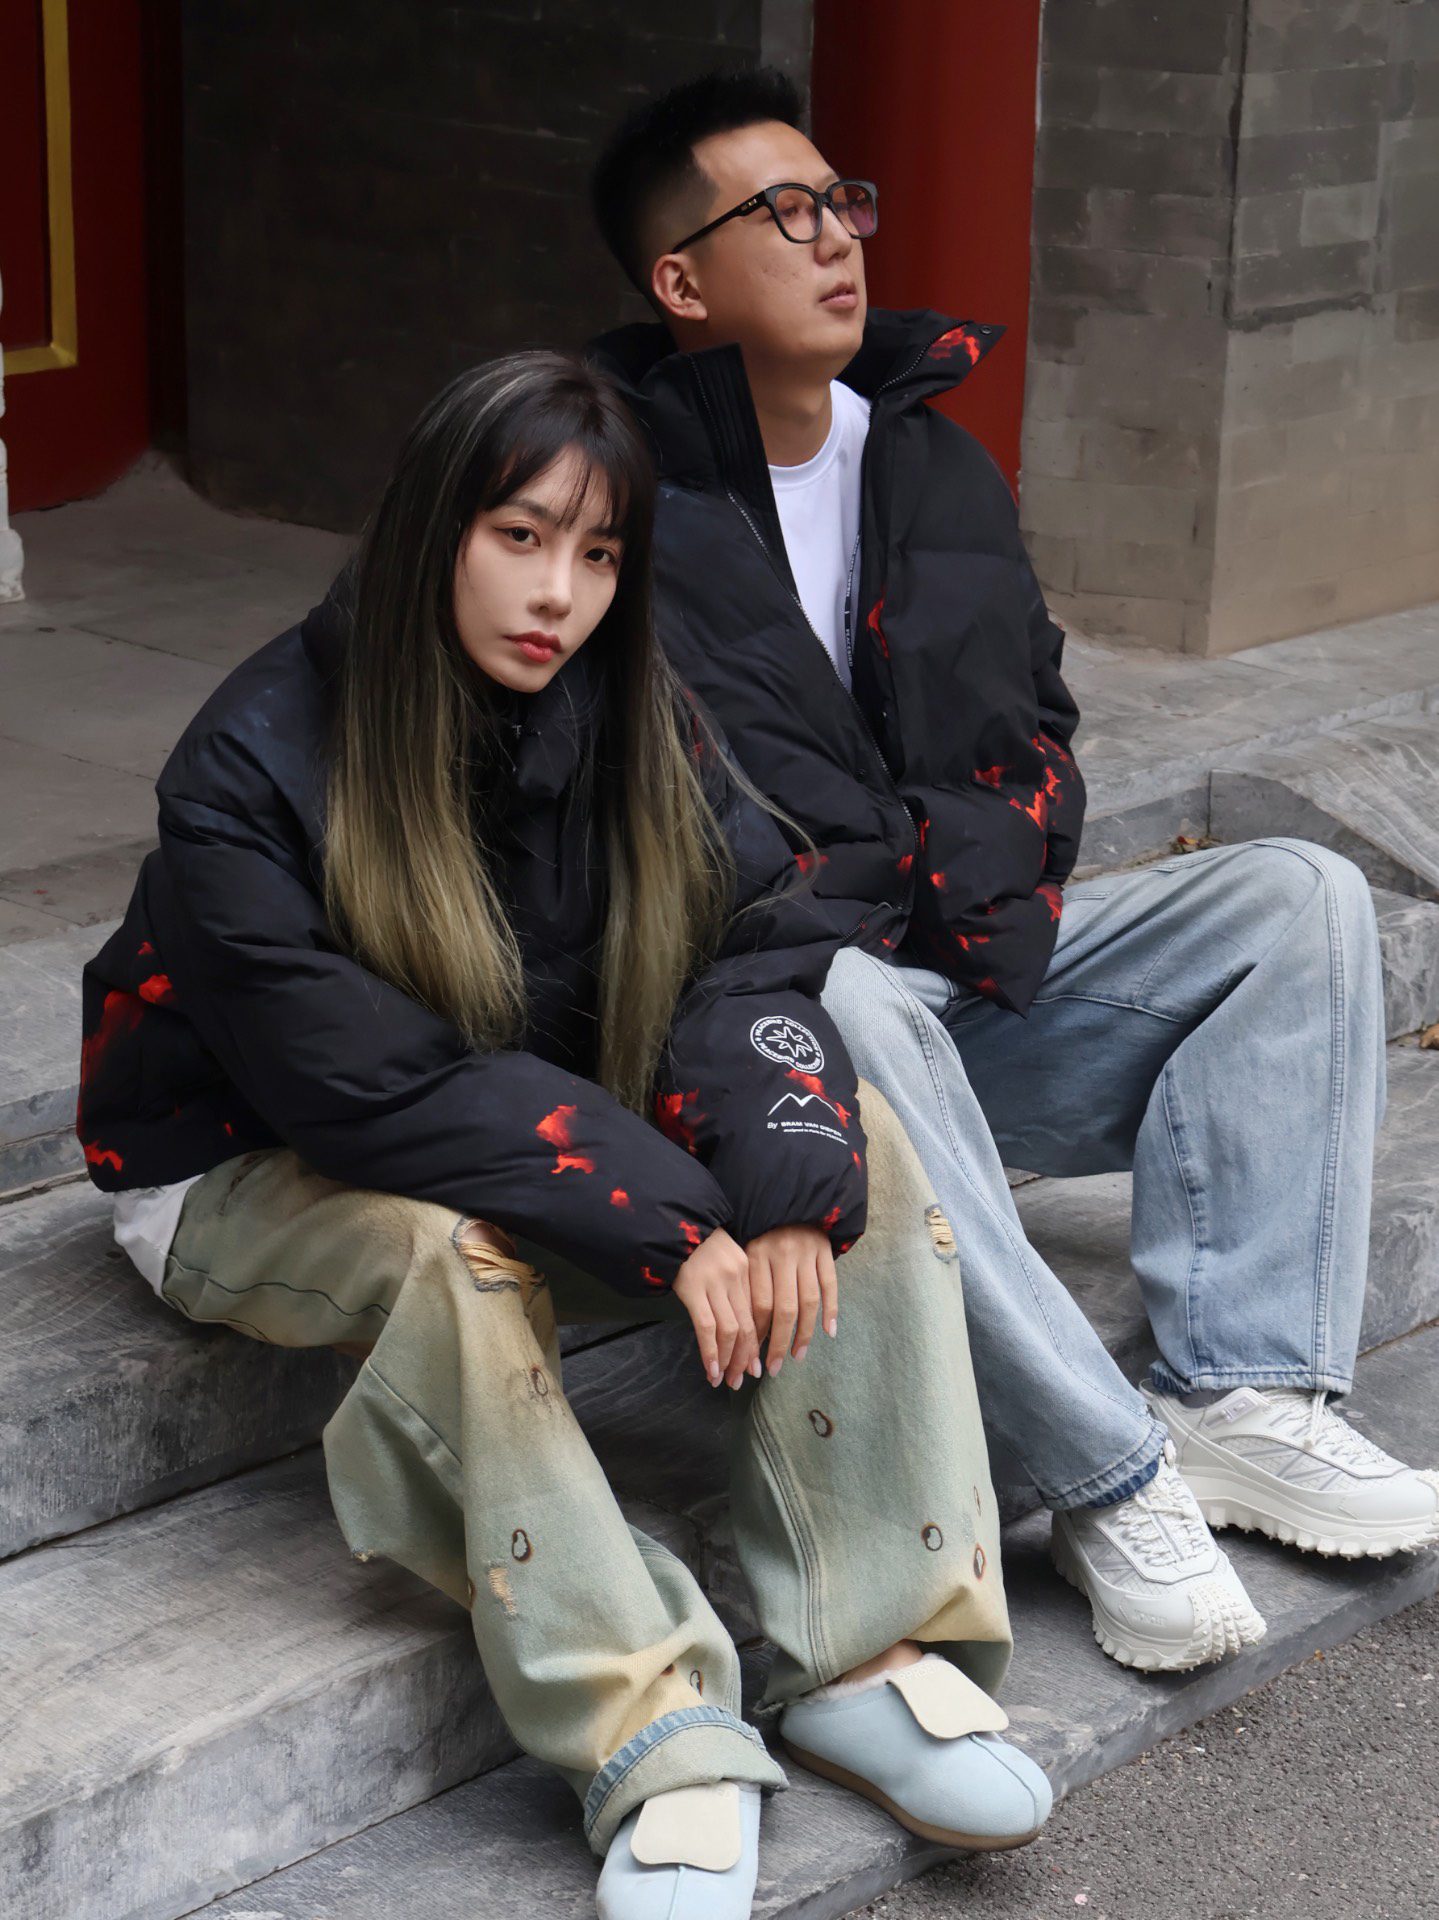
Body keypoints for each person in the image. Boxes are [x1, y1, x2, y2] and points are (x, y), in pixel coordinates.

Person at [76, 355, 1051, 1920]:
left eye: (598, 554)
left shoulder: (631, 706)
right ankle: (646, 1718)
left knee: (843, 1139)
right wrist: (670, 1222)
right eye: (520, 536)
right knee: (448, 1256)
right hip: (248, 1161)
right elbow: (359, 1088)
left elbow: (744, 950)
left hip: (533, 1130)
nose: (559, 595)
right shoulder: (250, 763)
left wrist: (774, 1189)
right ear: (431, 528)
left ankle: (872, 1649)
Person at [586, 69, 1439, 1678]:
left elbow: (1035, 733)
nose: (836, 237)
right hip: (744, 1045)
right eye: (784, 212)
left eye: (842, 202)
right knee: (843, 990)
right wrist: (873, 891)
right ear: (681, 283)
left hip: (944, 987)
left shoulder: (933, 466)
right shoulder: (600, 499)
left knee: (1297, 900)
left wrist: (964, 871)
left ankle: (1246, 1394)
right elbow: (645, 837)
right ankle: (1107, 1475)